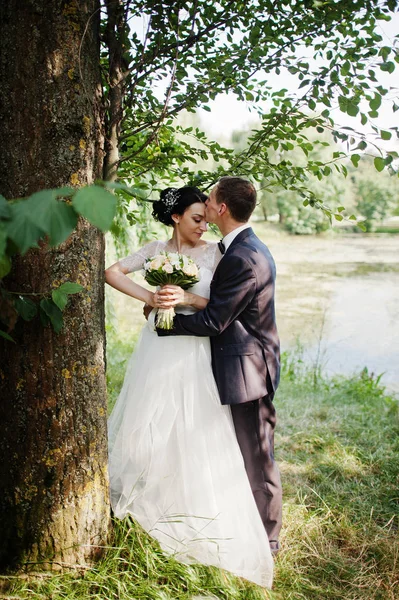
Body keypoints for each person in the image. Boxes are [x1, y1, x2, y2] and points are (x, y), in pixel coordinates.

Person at [105, 185, 274, 588]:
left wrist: (187, 298)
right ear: (176, 217)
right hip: (157, 346)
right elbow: (111, 272)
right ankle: (149, 498)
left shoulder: (217, 252)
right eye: (196, 219)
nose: (203, 226)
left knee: (193, 423)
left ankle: (191, 507)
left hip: (195, 349)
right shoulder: (153, 249)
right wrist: (152, 297)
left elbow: (221, 306)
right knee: (149, 416)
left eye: (206, 217)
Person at [156, 177, 282, 554]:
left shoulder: (245, 256)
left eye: (210, 200)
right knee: (237, 451)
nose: (206, 206)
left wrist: (163, 324)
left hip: (249, 372)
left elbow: (214, 321)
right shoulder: (236, 248)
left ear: (222, 208)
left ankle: (268, 541)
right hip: (235, 364)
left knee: (257, 457)